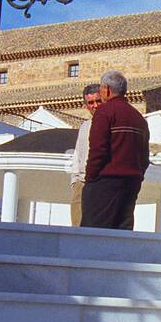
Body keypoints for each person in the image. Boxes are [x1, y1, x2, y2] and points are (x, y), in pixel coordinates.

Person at [81, 70, 149, 230]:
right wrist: (137, 175)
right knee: (122, 232)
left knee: (94, 233)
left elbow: (98, 150)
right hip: (132, 183)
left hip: (105, 182)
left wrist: (90, 178)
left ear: (107, 90)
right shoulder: (139, 118)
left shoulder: (105, 112)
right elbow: (144, 157)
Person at [69, 83, 104, 226]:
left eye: (98, 101)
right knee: (77, 227)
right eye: (90, 102)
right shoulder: (84, 127)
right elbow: (78, 154)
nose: (95, 105)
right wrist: (74, 180)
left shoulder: (112, 123)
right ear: (85, 105)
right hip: (81, 184)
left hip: (101, 184)